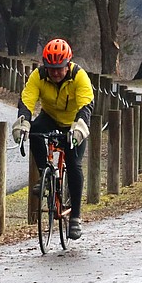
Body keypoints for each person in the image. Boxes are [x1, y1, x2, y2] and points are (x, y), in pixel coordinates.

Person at [12, 38, 95, 239]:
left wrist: (79, 129)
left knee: (74, 165)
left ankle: (75, 217)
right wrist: (22, 122)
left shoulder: (79, 77)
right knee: (34, 131)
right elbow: (27, 99)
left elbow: (86, 105)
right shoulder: (38, 76)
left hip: (73, 122)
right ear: (45, 66)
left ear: (68, 65)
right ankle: (45, 174)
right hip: (50, 117)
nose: (56, 73)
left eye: (60, 68)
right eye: (51, 68)